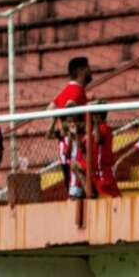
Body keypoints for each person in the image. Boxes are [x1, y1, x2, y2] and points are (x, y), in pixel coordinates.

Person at [48, 56, 92, 188]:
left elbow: (50, 108)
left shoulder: (65, 91)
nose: (90, 71)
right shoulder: (77, 92)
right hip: (75, 147)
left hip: (66, 146)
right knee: (79, 186)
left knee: (72, 185)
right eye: (88, 68)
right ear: (81, 71)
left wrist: (60, 127)